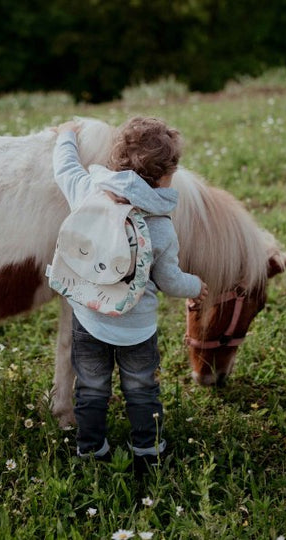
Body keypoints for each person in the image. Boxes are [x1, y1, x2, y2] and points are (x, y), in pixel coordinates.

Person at [52, 116, 208, 471]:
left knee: (91, 389)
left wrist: (66, 138)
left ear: (115, 161)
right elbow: (169, 280)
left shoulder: (89, 192)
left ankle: (91, 449)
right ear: (167, 176)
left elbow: (65, 169)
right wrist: (196, 287)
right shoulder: (161, 226)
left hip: (89, 319)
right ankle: (147, 450)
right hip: (136, 330)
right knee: (141, 390)